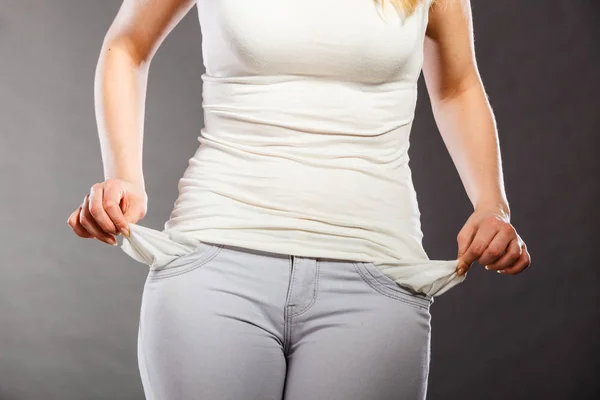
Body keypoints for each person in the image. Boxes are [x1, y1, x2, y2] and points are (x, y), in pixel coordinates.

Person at [67, 0, 531, 398]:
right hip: (214, 262)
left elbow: (457, 86)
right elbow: (127, 44)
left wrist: (492, 204)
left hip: (375, 272)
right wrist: (124, 176)